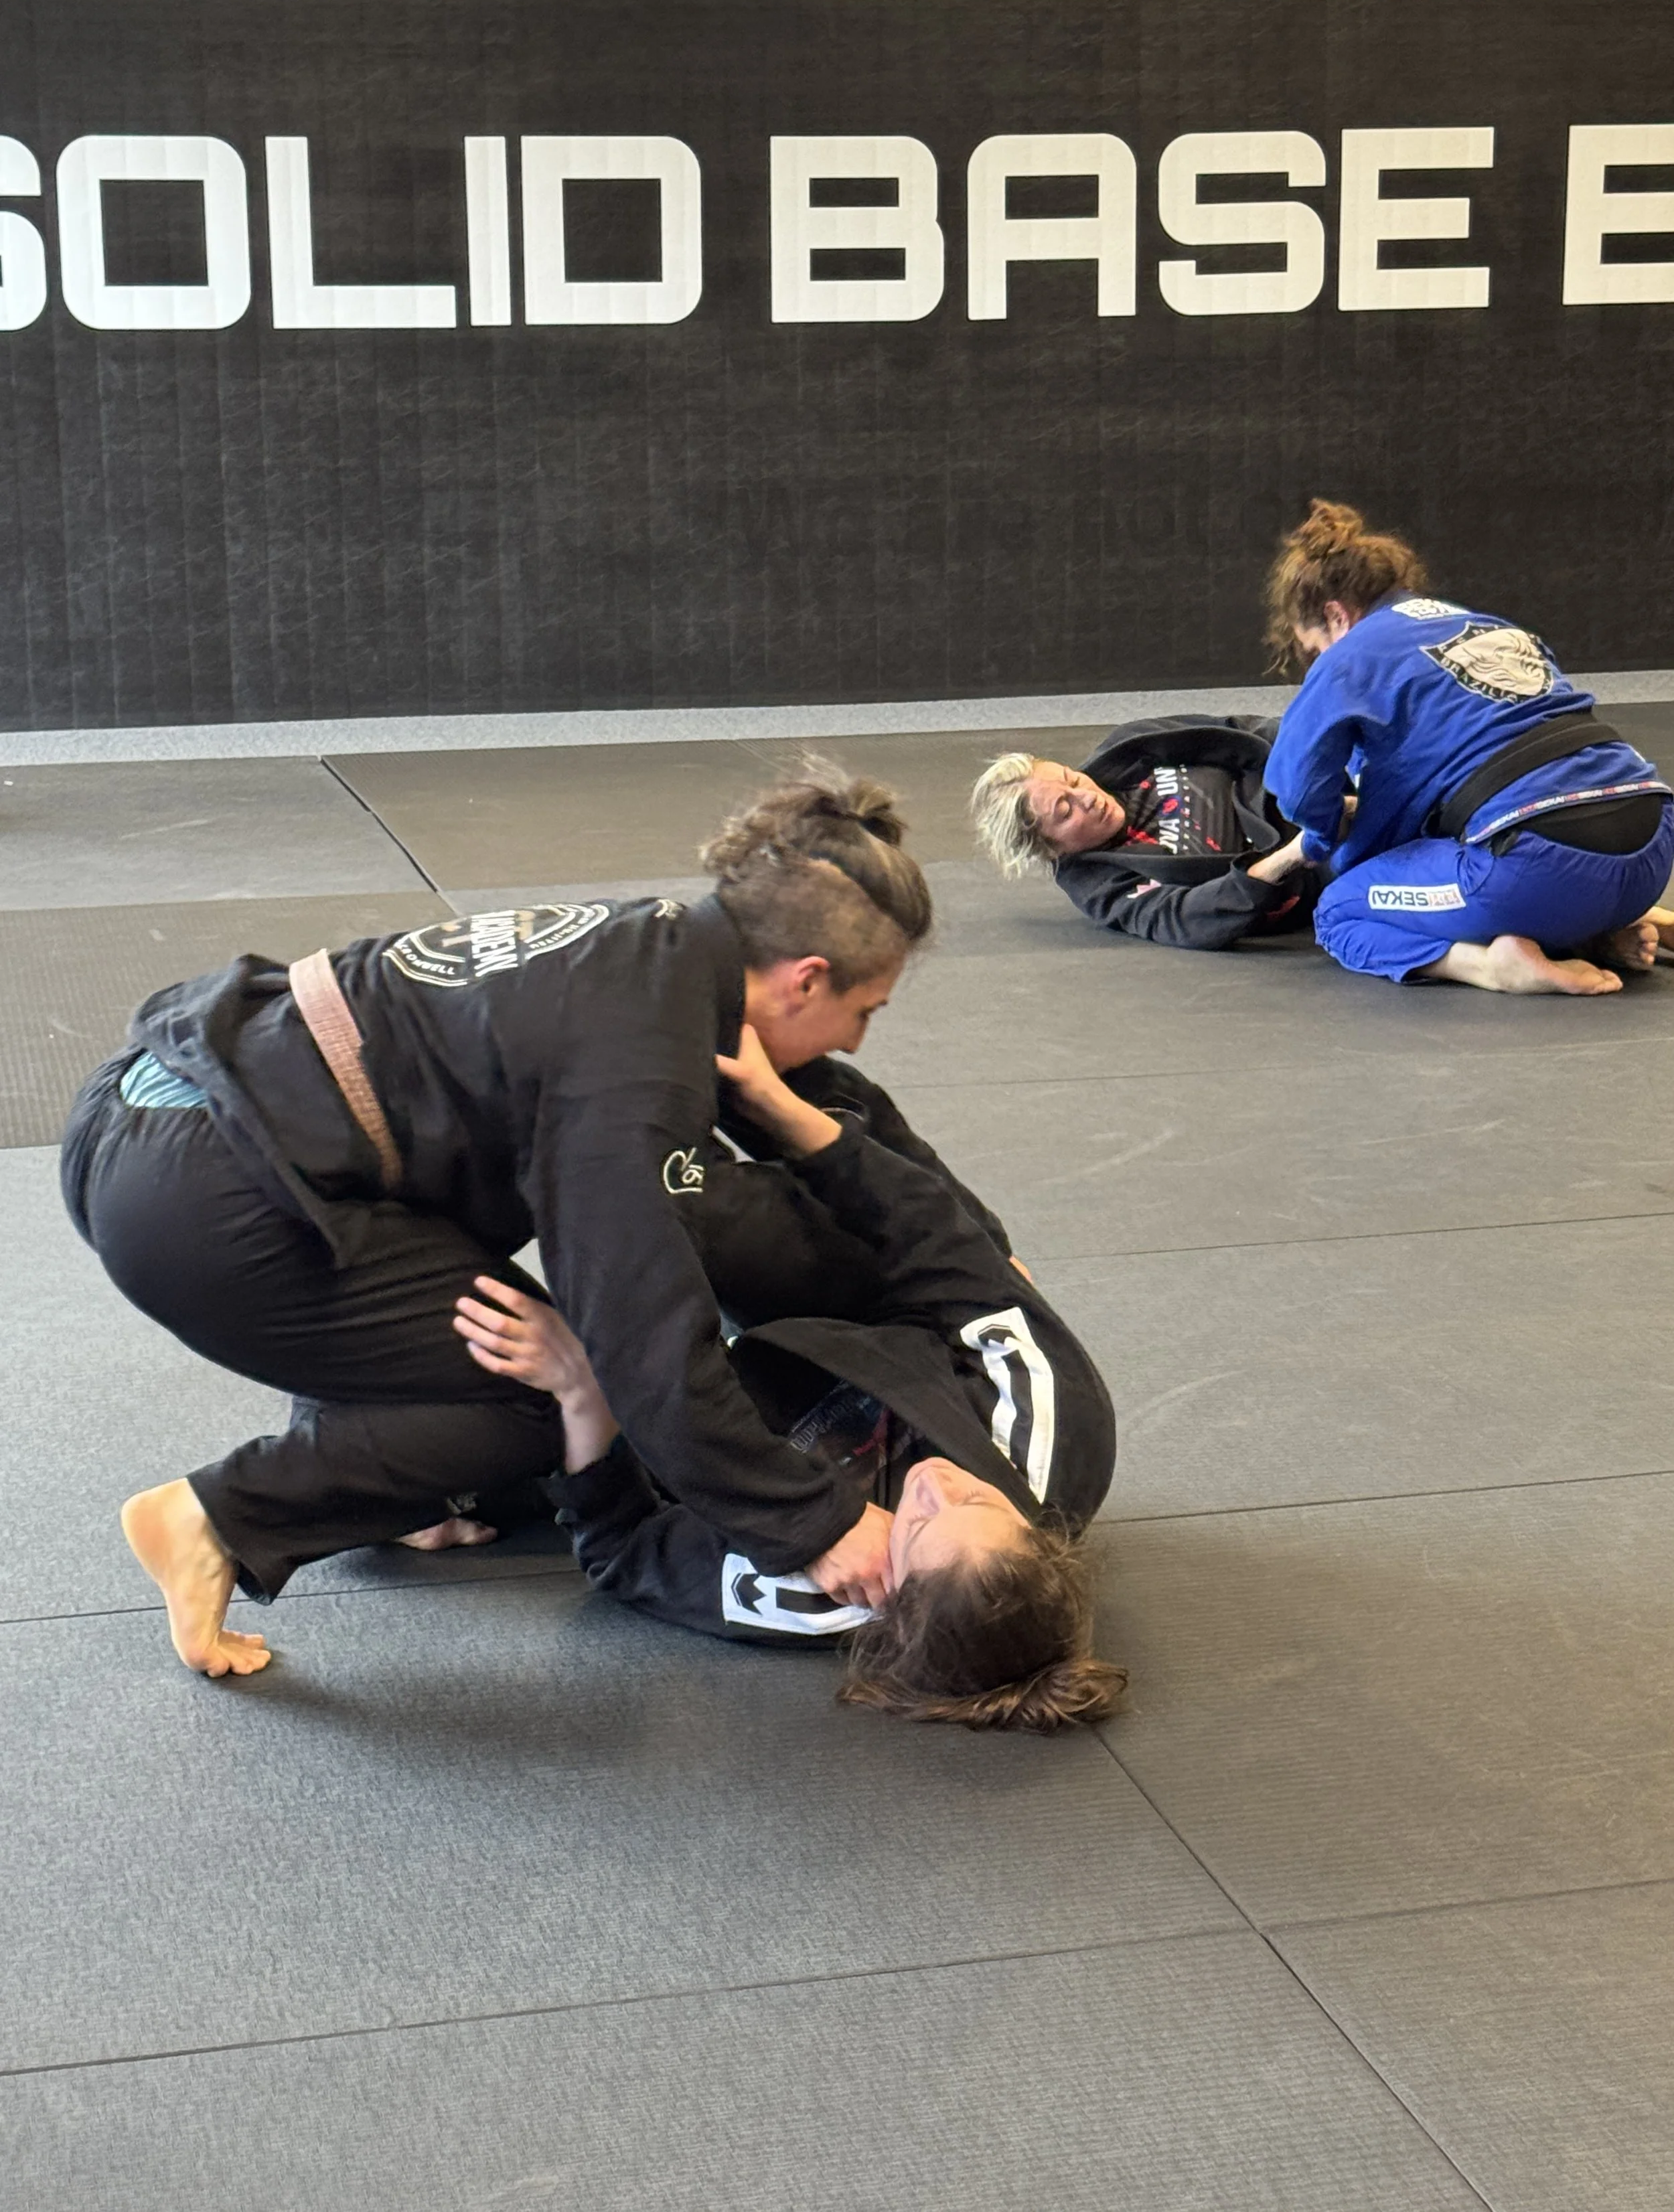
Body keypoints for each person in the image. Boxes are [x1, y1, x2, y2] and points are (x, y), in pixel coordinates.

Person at [63, 773, 957, 1678]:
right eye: (864, 1012)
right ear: (806, 979)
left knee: (508, 1319)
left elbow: (837, 1104)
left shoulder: (659, 944)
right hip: (205, 1205)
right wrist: (810, 1519)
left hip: (166, 1100)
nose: (855, 1042)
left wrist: (977, 1249)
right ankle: (216, 1514)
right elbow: (645, 1336)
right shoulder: (636, 1072)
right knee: (552, 1387)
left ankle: (378, 1480)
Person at [448, 1024, 1126, 1733]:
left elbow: (621, 1550)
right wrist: (789, 1115)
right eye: (978, 1504)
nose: (935, 1486)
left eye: (920, 1526)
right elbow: (945, 1250)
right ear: (1040, 1533)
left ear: (887, 1600)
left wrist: (578, 1392)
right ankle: (711, 1075)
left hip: (685, 1421)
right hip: (853, 1316)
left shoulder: (811, 1599)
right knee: (698, 1162)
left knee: (444, 1444)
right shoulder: (1056, 1426)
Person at [1260, 499, 1674, 994]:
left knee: (1341, 911)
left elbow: (1303, 793)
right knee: (1488, 839)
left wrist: (1317, 841)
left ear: (1335, 615)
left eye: (1313, 648)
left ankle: (1491, 967)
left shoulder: (1348, 655)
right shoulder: (1493, 626)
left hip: (1539, 869)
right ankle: (1601, 928)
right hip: (1653, 842)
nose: (1317, 661)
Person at [970, 721, 1324, 947]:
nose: (1088, 798)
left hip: (1311, 783)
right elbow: (1184, 917)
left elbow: (1240, 731)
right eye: (1065, 811)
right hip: (1315, 869)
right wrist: (1295, 854)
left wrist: (1319, 759)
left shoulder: (1130, 747)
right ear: (1050, 850)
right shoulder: (1102, 887)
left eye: (1073, 779)